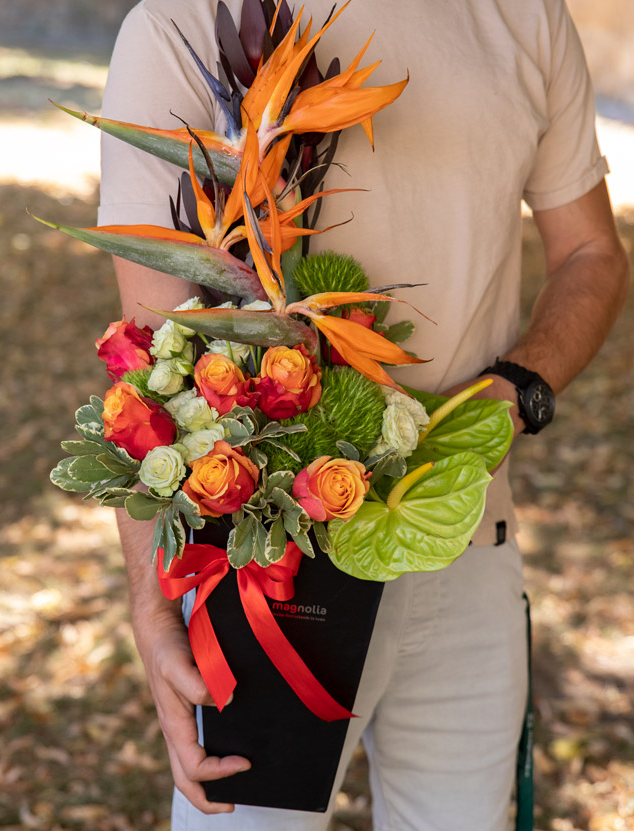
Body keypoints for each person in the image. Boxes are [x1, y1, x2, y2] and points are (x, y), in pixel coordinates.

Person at [97, 1, 629, 828]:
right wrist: (151, 603)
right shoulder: (188, 21)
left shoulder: (525, 16)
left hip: (468, 551)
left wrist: (509, 395)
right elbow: (149, 350)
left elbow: (590, 250)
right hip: (265, 573)